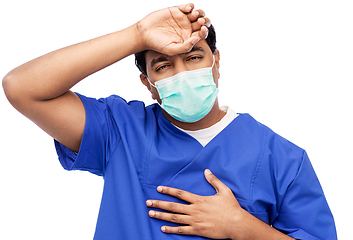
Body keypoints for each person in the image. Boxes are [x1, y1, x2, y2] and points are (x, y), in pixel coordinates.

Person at [2, 3, 336, 240]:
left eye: (193, 57)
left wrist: (241, 226)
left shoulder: (284, 159)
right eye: (163, 66)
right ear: (148, 84)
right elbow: (22, 87)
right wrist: (136, 35)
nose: (183, 73)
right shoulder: (120, 130)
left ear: (216, 63)